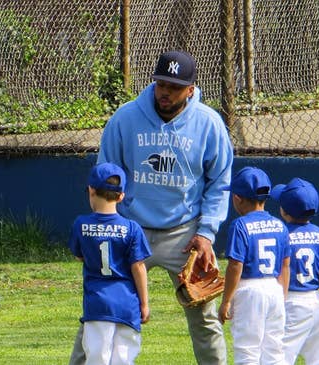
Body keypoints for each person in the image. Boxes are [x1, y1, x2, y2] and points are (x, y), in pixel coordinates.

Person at [70, 50, 234, 364]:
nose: (165, 92)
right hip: (131, 229)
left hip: (184, 234)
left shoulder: (209, 124)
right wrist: (109, 223)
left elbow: (219, 181)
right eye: (161, 84)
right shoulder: (126, 118)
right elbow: (107, 171)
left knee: (204, 316)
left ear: (190, 89)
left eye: (174, 86)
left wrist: (206, 234)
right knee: (102, 309)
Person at [68, 162, 152, 365]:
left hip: (97, 304)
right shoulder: (132, 228)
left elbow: (80, 256)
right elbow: (138, 267)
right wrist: (144, 303)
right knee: (123, 359)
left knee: (97, 358)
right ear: (121, 195)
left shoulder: (81, 224)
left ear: (91, 190)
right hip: (127, 305)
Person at [218, 166, 290, 365]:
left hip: (249, 290)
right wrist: (282, 295)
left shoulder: (240, 225)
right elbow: (285, 265)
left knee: (247, 351)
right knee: (274, 351)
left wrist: (226, 301)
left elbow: (235, 266)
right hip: (274, 289)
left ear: (237, 198)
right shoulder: (279, 225)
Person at [270, 178, 319, 365]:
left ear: (284, 211)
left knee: (280, 356)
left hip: (292, 301)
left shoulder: (282, 233)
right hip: (317, 301)